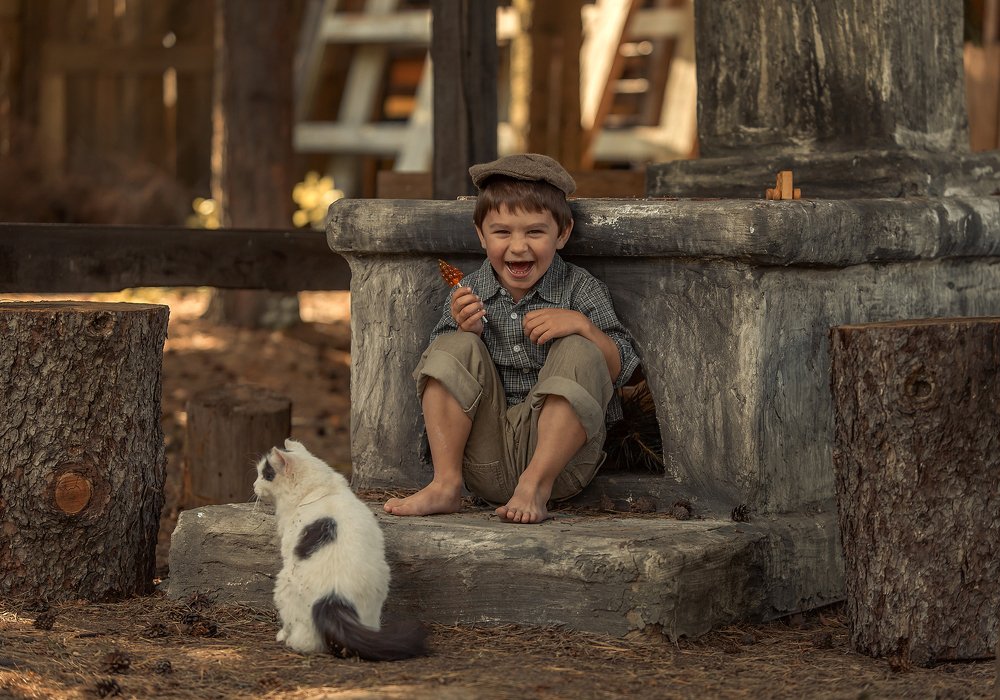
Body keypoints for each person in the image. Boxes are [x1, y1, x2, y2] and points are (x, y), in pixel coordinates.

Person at [384, 153, 639, 524]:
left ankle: (533, 486)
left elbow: (625, 370)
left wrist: (583, 326)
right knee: (453, 346)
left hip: (561, 467)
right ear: (481, 235)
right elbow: (438, 371)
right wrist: (467, 333)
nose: (518, 247)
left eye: (534, 232)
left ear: (562, 233)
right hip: (482, 462)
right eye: (502, 233)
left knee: (580, 349)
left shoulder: (580, 289)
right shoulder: (468, 292)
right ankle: (445, 484)